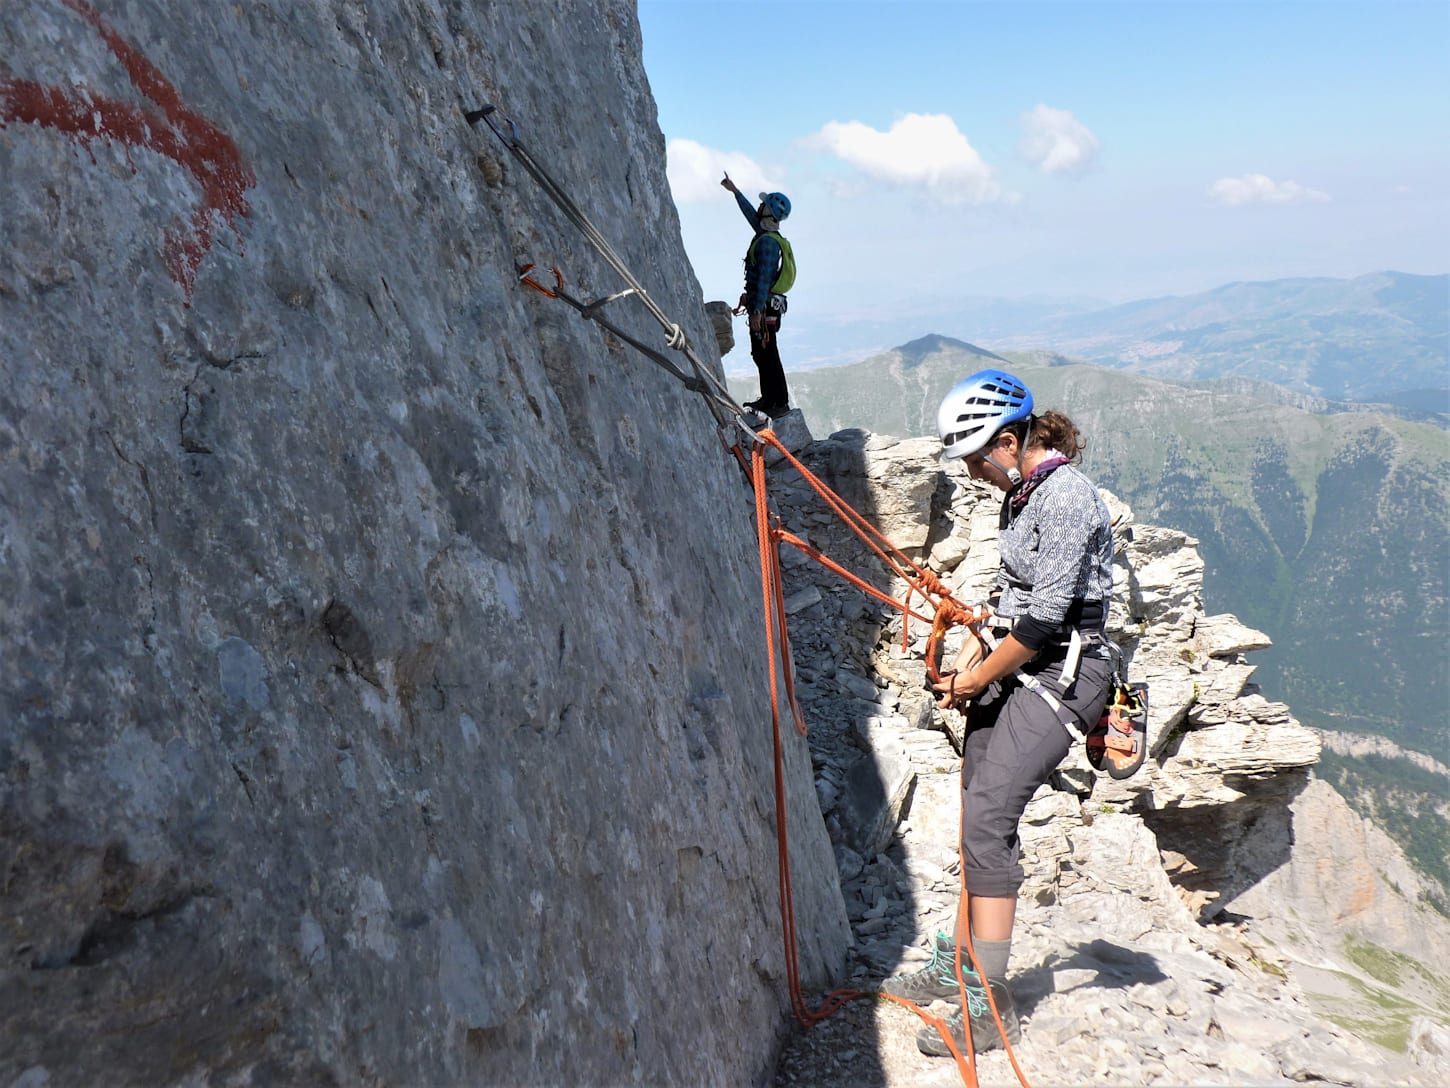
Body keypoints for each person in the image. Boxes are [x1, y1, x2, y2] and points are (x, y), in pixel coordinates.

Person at [880, 368, 1116, 1058]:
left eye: (978, 457)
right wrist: (979, 619)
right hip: (1025, 661)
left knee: (989, 818)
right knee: (976, 810)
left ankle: (990, 1001)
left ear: (1009, 441)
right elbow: (1022, 596)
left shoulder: (1066, 497)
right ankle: (957, 961)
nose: (974, 473)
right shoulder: (1026, 492)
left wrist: (973, 676)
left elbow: (1046, 618)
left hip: (1065, 673)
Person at [720, 172, 794, 417]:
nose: (759, 206)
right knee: (762, 352)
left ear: (769, 212)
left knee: (767, 352)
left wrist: (756, 311)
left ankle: (778, 403)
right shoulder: (766, 235)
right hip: (765, 306)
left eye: (763, 204)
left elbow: (763, 279)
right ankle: (771, 399)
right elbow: (751, 215)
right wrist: (736, 192)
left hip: (764, 308)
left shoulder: (767, 244)